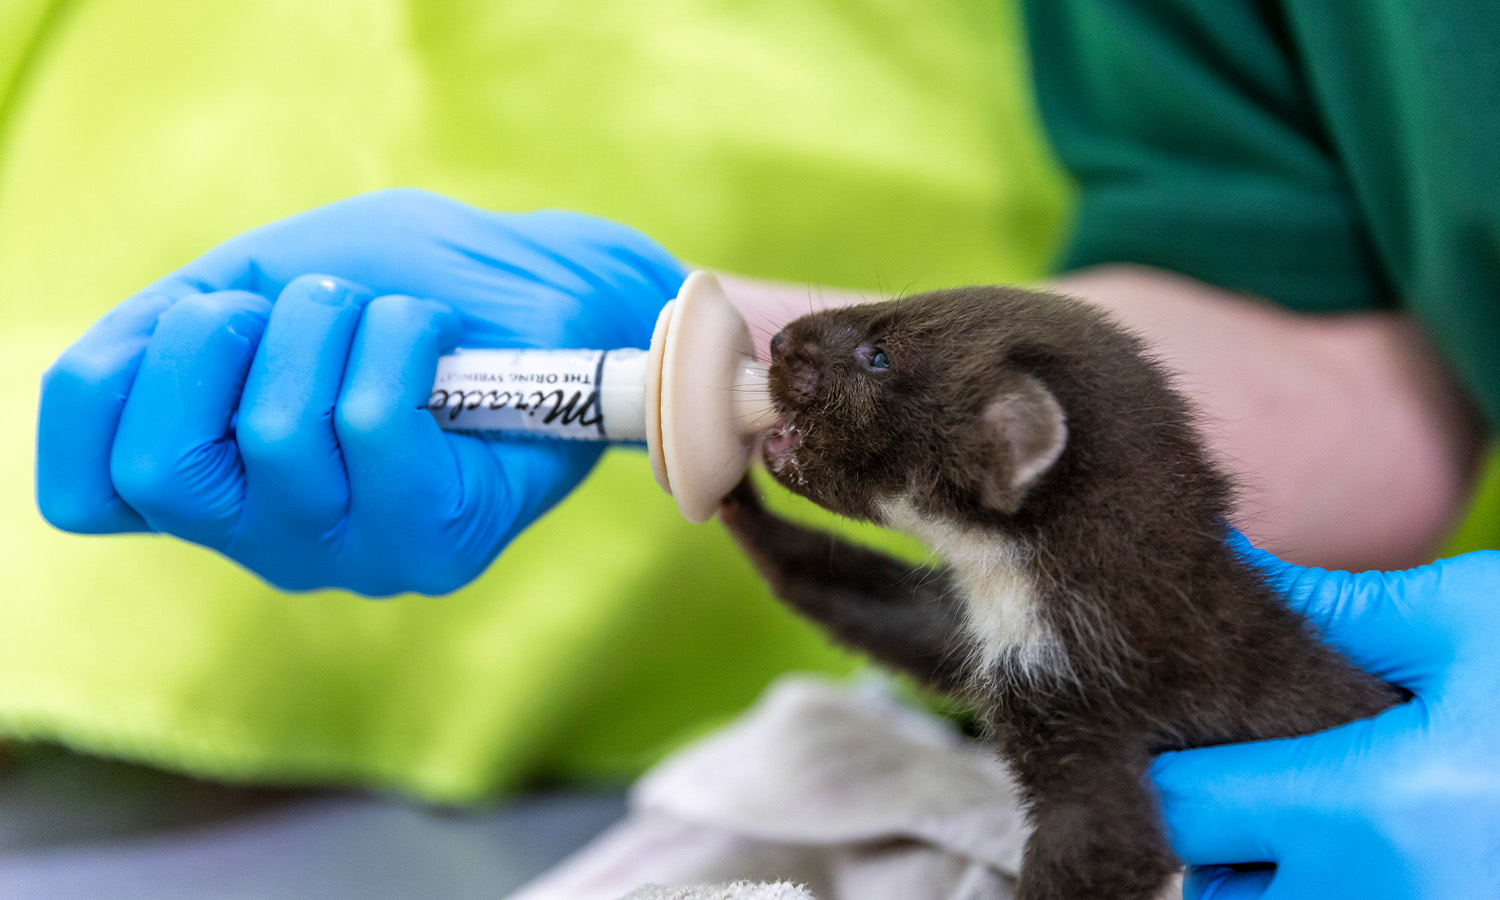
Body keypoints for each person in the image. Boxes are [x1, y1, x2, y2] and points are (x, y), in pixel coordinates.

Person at [31, 1, 1500, 898]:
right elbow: (1316, 337)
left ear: (1007, 457)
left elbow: (1094, 837)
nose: (826, 343)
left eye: (872, 351)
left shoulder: (1099, 640)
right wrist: (644, 347)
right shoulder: (1066, 597)